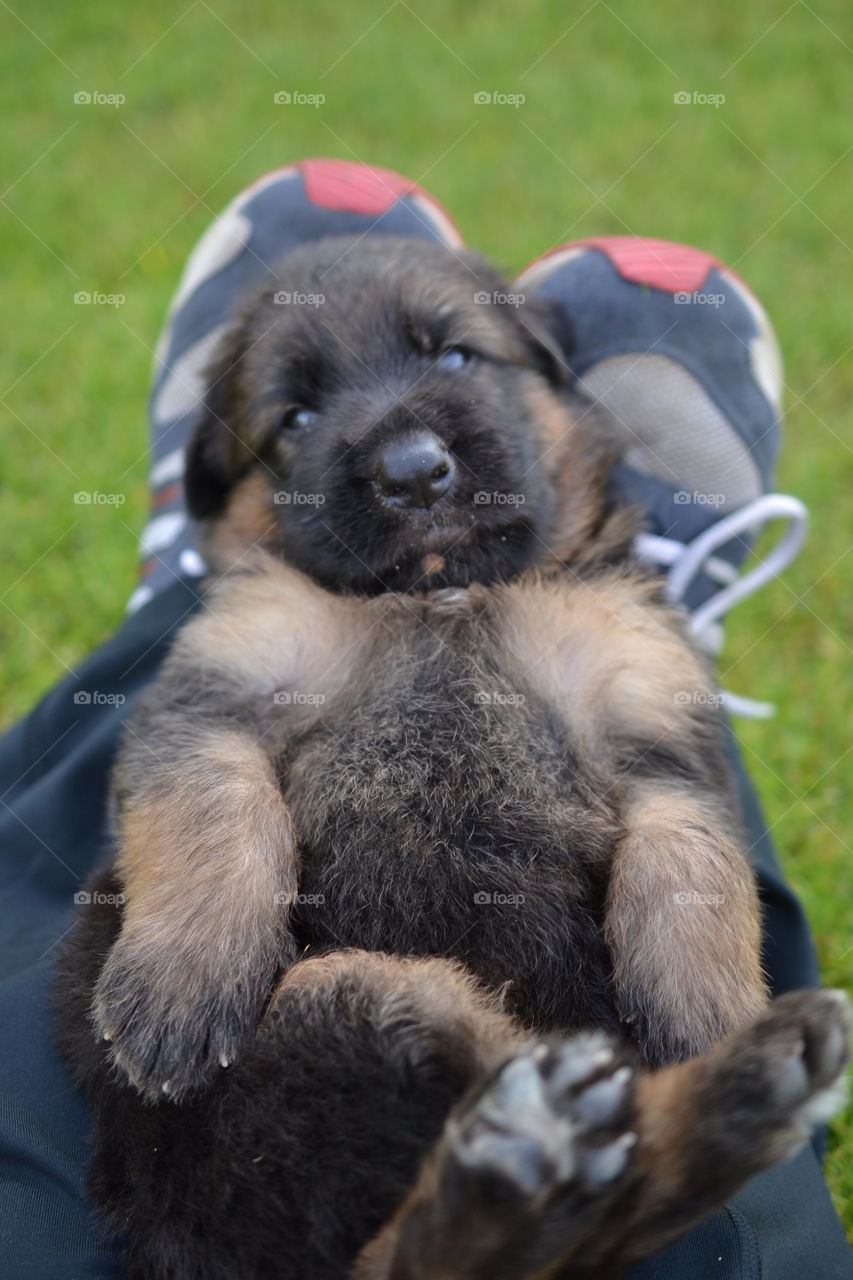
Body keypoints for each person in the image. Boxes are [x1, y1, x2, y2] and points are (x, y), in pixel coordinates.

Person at [0, 158, 850, 1279]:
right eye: (297, 414)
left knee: (36, 915)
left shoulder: (595, 617)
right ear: (234, 484)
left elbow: (670, 802)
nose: (406, 450)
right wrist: (203, 901)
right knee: (288, 920)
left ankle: (524, 1195)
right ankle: (662, 1170)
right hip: (298, 1084)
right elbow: (201, 740)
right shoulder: (284, 603)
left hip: (503, 1080)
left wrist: (692, 968)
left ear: (551, 374)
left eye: (455, 353)